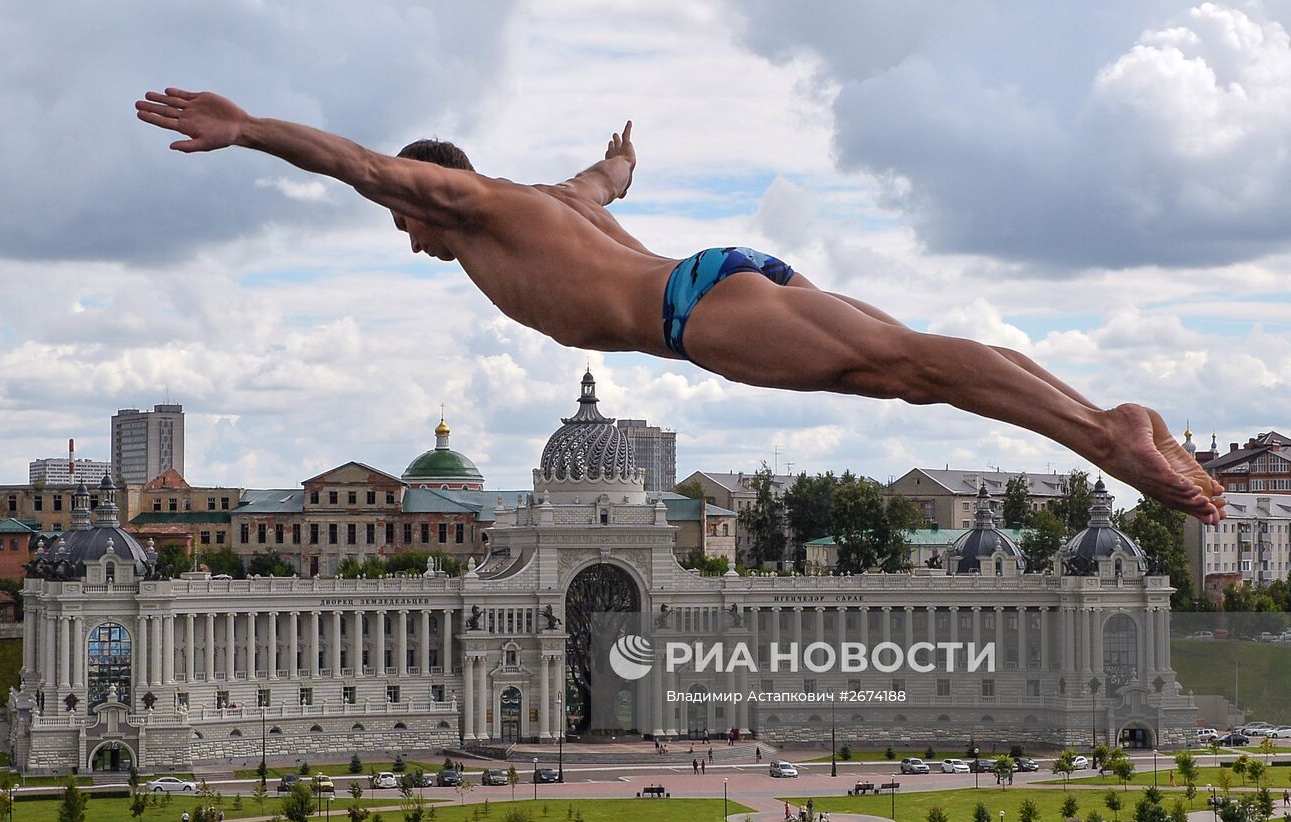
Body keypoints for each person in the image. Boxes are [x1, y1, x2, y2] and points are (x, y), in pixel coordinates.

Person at [135, 88, 1228, 524]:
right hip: (716, 278)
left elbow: (358, 162)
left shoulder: (466, 203)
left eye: (406, 220)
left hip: (693, 311)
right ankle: (1101, 419)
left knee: (906, 368)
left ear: (430, 192)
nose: (411, 239)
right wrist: (617, 166)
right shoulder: (547, 203)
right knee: (902, 363)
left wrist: (252, 132)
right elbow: (601, 187)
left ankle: (1102, 433)